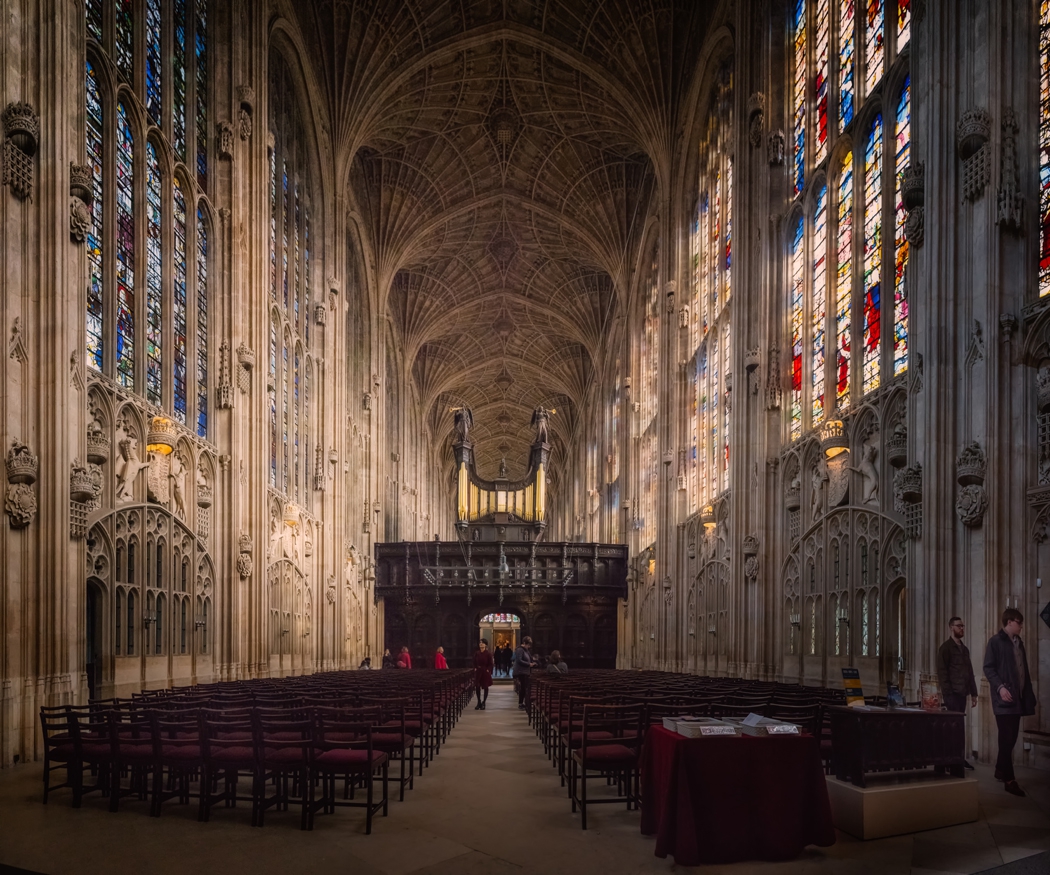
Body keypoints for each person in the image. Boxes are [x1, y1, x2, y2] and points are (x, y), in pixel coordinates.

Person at [983, 608, 1037, 797]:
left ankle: (999, 768)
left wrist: (1027, 694)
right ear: (1009, 622)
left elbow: (1024, 671)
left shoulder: (1018, 643)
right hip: (1004, 699)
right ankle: (1009, 779)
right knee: (1007, 738)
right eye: (1018, 622)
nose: (1021, 626)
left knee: (1010, 738)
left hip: (1017, 699)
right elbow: (988, 668)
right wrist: (1000, 688)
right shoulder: (995, 642)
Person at [937, 617, 978, 770]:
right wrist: (947, 694)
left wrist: (974, 693)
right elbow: (942, 673)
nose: (962, 628)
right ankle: (947, 761)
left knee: (959, 728)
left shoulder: (964, 649)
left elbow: (970, 671)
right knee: (951, 728)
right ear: (951, 627)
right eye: (958, 626)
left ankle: (958, 758)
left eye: (963, 625)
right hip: (952, 695)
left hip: (963, 694)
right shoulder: (946, 648)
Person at [512, 636, 536, 710]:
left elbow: (529, 658)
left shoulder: (526, 650)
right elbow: (519, 660)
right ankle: (521, 703)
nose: (529, 647)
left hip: (525, 672)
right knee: (523, 688)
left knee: (525, 688)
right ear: (524, 643)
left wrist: (533, 662)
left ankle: (525, 703)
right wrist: (528, 664)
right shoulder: (520, 650)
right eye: (528, 645)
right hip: (521, 672)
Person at [473, 638, 494, 710]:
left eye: (482, 643)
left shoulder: (488, 653)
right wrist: (475, 668)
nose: (481, 644)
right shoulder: (477, 653)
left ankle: (484, 702)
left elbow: (491, 664)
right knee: (477, 687)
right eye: (480, 643)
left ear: (485, 645)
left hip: (485, 671)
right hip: (478, 671)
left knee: (485, 687)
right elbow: (474, 662)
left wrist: (488, 670)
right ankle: (478, 702)